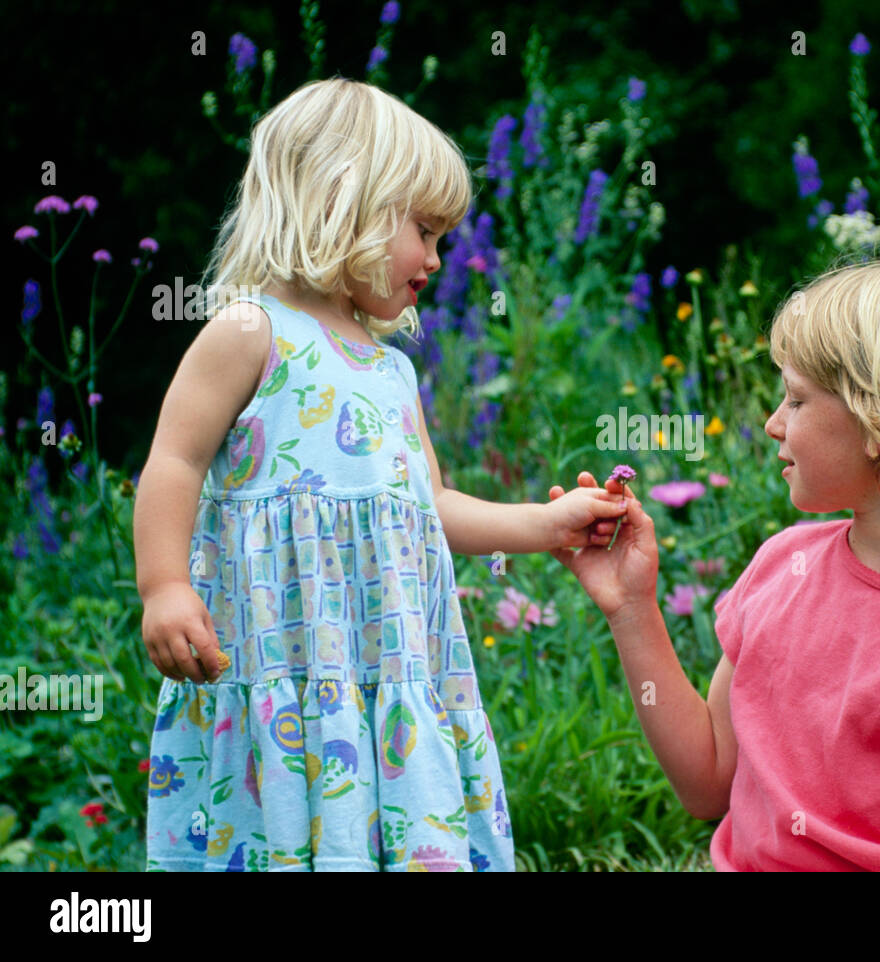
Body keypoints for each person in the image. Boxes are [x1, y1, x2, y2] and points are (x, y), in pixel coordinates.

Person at [134, 78, 628, 871]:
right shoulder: (249, 331)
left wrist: (549, 523)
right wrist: (163, 586)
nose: (437, 260)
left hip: (390, 672)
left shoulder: (393, 370)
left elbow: (431, 504)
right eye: (425, 232)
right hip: (279, 670)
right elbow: (174, 460)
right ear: (343, 201)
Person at [551, 259, 880, 871]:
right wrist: (631, 608)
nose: (772, 423)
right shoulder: (783, 566)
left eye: (797, 400)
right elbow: (707, 783)